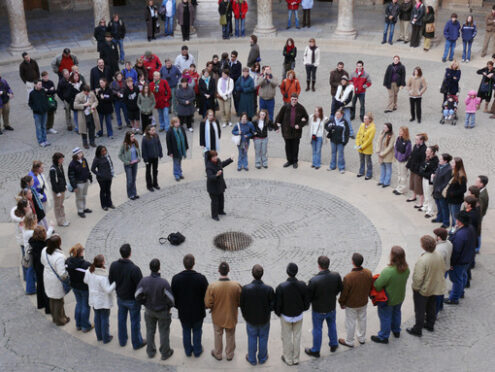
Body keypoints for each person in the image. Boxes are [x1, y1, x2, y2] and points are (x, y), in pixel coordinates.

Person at [135, 259, 175, 360]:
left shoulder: (144, 281)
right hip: (162, 312)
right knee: (164, 332)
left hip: (149, 310)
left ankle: (150, 351)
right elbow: (171, 300)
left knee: (150, 331)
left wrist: (144, 302)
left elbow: (137, 295)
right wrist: (168, 307)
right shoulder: (163, 283)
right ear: (159, 268)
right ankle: (165, 353)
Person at [407, 236, 446, 337]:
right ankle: (430, 324)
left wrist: (415, 288)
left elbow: (418, 278)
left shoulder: (423, 259)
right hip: (435, 286)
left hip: (424, 289)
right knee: (431, 306)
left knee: (420, 310)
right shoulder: (438, 255)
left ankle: (417, 329)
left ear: (424, 246)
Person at [109, 244, 146, 349]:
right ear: (130, 253)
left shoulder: (114, 265)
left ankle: (122, 340)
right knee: (135, 322)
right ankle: (137, 342)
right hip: (132, 300)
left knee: (121, 319)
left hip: (120, 297)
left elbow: (111, 280)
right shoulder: (134, 269)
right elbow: (141, 286)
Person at [371, 246, 410, 343]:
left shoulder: (388, 271)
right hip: (400, 297)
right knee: (397, 313)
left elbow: (377, 285)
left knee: (385, 317)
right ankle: (396, 331)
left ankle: (383, 336)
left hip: (388, 299)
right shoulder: (406, 269)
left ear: (392, 256)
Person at [171, 254, 208, 357]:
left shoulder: (176, 279)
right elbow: (207, 295)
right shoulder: (201, 278)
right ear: (194, 264)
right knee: (197, 331)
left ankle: (188, 351)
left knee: (186, 331)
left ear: (184, 264)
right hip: (198, 311)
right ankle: (197, 350)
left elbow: (173, 297)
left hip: (183, 311)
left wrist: (178, 306)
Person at [304, 256, 342, 358]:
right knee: (332, 325)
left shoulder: (314, 280)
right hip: (331, 307)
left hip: (318, 310)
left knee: (317, 329)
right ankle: (334, 344)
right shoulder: (336, 276)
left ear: (319, 265)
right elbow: (339, 288)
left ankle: (316, 350)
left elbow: (309, 296)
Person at [205, 261, 242, 361]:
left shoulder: (212, 286)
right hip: (231, 316)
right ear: (229, 271)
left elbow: (208, 304)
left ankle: (218, 353)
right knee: (230, 335)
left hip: (217, 316)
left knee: (218, 334)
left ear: (218, 271)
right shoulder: (236, 286)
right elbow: (240, 301)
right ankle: (229, 354)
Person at [275, 263, 309, 365]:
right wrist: (302, 309)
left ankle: (288, 358)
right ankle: (296, 358)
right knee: (297, 337)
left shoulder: (281, 287)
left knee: (287, 337)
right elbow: (306, 303)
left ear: (287, 272)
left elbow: (278, 305)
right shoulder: (302, 285)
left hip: (286, 316)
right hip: (298, 315)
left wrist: (279, 313)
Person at [240, 264, 275, 366]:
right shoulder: (268, 289)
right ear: (262, 274)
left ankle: (252, 358)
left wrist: (245, 316)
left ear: (252, 274)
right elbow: (272, 305)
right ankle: (262, 358)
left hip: (251, 320)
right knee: (263, 338)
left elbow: (242, 305)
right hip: (264, 319)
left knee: (251, 338)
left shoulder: (246, 289)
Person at [338, 253, 373, 347]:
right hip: (363, 301)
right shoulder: (368, 272)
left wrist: (341, 302)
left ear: (352, 262)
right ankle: (361, 338)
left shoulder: (348, 277)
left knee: (350, 322)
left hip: (352, 304)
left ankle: (349, 340)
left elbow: (344, 293)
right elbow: (370, 286)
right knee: (362, 319)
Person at [444, 211, 476, 305]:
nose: (455, 220)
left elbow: (456, 252)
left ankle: (454, 298)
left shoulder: (460, 235)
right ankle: (460, 292)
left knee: (456, 279)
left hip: (459, 261)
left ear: (460, 221)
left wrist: (451, 264)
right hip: (467, 258)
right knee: (463, 276)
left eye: (457, 219)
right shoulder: (470, 228)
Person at [84, 254, 116, 343]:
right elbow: (108, 290)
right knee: (104, 319)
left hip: (94, 299)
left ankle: (99, 336)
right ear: (102, 263)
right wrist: (114, 283)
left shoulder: (88, 271)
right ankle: (106, 337)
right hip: (103, 301)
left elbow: (85, 281)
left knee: (97, 318)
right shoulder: (102, 277)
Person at [41, 235, 70, 326]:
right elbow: (62, 274)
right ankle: (60, 320)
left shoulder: (44, 250)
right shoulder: (59, 257)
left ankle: (56, 317)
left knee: (52, 299)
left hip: (47, 276)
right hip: (55, 280)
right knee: (59, 301)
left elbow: (42, 262)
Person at [275, 94, 308, 169]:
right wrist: (277, 127)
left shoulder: (301, 108)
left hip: (296, 132)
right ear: (290, 99)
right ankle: (289, 161)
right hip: (287, 131)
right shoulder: (285, 107)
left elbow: (306, 118)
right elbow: (279, 117)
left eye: (295, 99)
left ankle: (295, 161)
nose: (294, 101)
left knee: (295, 147)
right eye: (292, 99)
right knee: (288, 147)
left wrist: (300, 125)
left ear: (297, 99)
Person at [66, 244, 92, 333]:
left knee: (79, 303)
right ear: (81, 252)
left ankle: (78, 324)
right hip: (84, 288)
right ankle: (85, 326)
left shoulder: (68, 261)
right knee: (85, 306)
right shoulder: (85, 265)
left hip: (74, 286)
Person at [29, 225, 52, 314]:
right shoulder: (44, 245)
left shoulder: (33, 242)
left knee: (40, 284)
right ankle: (48, 308)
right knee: (46, 287)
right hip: (43, 267)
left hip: (37, 266)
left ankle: (41, 303)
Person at [205, 150, 234, 220]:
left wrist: (230, 159)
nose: (216, 158)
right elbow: (210, 176)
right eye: (214, 157)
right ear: (210, 158)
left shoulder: (218, 161)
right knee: (215, 202)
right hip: (213, 187)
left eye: (216, 156)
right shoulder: (209, 166)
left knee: (221, 199)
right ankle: (214, 215)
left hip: (220, 185)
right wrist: (216, 175)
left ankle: (220, 211)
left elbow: (222, 164)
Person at [68, 147, 93, 218]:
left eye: (81, 152)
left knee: (84, 195)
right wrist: (74, 186)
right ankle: (80, 210)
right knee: (79, 197)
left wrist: (90, 177)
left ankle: (84, 208)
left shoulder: (84, 160)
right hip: (79, 183)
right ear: (75, 155)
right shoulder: (72, 164)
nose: (81, 154)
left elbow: (87, 169)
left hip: (85, 182)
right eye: (79, 153)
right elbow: (71, 176)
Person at [433, 227, 453, 313]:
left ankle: (436, 309)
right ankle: (440, 306)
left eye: (436, 235)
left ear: (439, 237)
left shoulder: (439, 249)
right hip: (446, 269)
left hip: (440, 272)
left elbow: (436, 264)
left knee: (437, 291)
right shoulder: (449, 243)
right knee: (441, 289)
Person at [445, 157, 467, 231]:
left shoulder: (461, 176)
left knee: (455, 216)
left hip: (456, 200)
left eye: (453, 163)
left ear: (457, 164)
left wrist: (452, 193)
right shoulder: (453, 172)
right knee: (452, 215)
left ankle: (455, 230)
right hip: (451, 199)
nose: (451, 164)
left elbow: (463, 189)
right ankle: (453, 228)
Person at [406, 133, 427, 208]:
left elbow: (423, 161)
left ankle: (421, 202)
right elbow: (412, 156)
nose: (415, 141)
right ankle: (414, 196)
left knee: (419, 186)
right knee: (412, 183)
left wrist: (419, 170)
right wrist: (408, 165)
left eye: (417, 139)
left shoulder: (424, 149)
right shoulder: (415, 146)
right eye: (415, 139)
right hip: (413, 168)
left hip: (418, 170)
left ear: (421, 140)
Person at [325, 109, 350, 173]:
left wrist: (345, 141)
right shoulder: (332, 120)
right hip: (333, 140)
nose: (337, 116)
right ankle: (332, 166)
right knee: (333, 153)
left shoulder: (344, 122)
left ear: (341, 115)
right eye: (336, 114)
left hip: (340, 141)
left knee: (340, 155)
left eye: (338, 114)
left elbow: (347, 133)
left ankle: (341, 168)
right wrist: (329, 129)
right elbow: (326, 126)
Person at [432, 153, 453, 228]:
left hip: (441, 192)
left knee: (444, 207)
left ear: (445, 161)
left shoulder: (448, 169)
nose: (439, 160)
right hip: (436, 191)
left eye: (440, 159)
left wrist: (439, 189)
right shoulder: (440, 166)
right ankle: (439, 218)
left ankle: (446, 222)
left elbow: (446, 182)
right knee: (439, 206)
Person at [119, 131, 142, 200]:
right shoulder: (124, 145)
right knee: (129, 180)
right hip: (128, 165)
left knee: (133, 179)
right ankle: (130, 194)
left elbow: (139, 151)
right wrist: (126, 161)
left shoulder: (135, 143)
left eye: (133, 136)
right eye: (131, 136)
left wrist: (139, 158)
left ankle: (134, 193)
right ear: (128, 137)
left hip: (135, 163)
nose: (133, 137)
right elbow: (120, 155)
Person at [91, 145, 115, 211]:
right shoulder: (96, 159)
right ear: (99, 152)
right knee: (103, 191)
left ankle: (109, 203)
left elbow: (111, 164)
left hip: (108, 176)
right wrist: (99, 174)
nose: (104, 152)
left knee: (108, 190)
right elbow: (92, 169)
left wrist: (111, 173)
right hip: (101, 179)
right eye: (102, 151)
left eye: (105, 150)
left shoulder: (107, 156)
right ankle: (104, 205)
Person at [418, 145, 439, 218]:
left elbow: (432, 172)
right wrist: (422, 171)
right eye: (426, 151)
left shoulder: (435, 161)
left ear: (432, 152)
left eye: (427, 151)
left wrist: (423, 173)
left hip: (429, 180)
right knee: (426, 193)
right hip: (425, 178)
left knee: (430, 195)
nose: (425, 152)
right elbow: (423, 166)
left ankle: (431, 211)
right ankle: (425, 206)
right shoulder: (427, 158)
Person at [49, 152, 69, 227]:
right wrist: (57, 192)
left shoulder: (60, 166)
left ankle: (63, 219)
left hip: (62, 188)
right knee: (57, 206)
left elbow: (63, 176)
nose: (62, 159)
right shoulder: (53, 169)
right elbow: (53, 182)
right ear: (57, 159)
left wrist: (65, 185)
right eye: (61, 158)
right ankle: (60, 221)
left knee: (61, 205)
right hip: (57, 190)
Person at [28, 80, 50, 147]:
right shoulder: (32, 93)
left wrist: (46, 106)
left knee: (43, 126)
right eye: (39, 84)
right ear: (35, 85)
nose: (41, 85)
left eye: (41, 84)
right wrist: (34, 108)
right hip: (37, 113)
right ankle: (40, 141)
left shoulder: (43, 91)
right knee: (38, 127)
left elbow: (46, 99)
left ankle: (45, 140)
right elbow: (30, 103)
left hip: (44, 112)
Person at [355, 113, 376, 180]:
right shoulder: (362, 125)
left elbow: (369, 140)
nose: (364, 120)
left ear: (369, 120)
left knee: (368, 161)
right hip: (360, 147)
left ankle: (369, 173)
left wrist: (362, 146)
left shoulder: (372, 128)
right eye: (364, 118)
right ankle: (361, 171)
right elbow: (358, 135)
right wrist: (358, 144)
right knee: (361, 160)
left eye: (365, 119)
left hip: (367, 148)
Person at [376, 123, 395, 188]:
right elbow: (378, 141)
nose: (384, 129)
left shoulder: (392, 135)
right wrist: (378, 150)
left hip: (387, 154)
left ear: (389, 128)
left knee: (388, 168)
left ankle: (387, 182)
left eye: (385, 127)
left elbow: (390, 146)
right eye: (383, 127)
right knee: (382, 167)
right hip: (381, 153)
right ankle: (381, 181)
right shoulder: (382, 133)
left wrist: (382, 154)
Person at [475, 175, 489, 252]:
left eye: (477, 181)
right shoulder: (481, 191)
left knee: (477, 231)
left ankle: (477, 248)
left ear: (482, 184)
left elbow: (480, 209)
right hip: (479, 215)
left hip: (478, 216)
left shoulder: (482, 196)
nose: (475, 182)